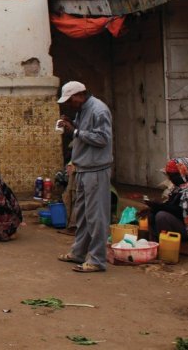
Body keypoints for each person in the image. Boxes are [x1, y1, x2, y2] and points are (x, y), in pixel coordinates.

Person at [56, 81, 113, 273]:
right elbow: (83, 134)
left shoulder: (99, 110)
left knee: (96, 217)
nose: (69, 104)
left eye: (70, 100)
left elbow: (102, 139)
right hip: (83, 168)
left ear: (79, 95)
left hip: (96, 170)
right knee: (82, 215)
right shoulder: (82, 110)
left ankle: (97, 259)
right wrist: (72, 126)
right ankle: (79, 252)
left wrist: (76, 131)